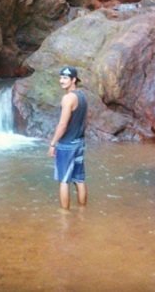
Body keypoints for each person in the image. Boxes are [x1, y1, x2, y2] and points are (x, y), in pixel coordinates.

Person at [48, 66, 88, 210]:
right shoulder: (82, 96)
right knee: (79, 179)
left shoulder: (68, 98)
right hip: (79, 142)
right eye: (61, 77)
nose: (61, 81)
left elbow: (63, 124)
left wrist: (53, 143)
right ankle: (82, 211)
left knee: (64, 181)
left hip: (67, 144)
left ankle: (64, 215)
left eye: (65, 78)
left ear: (74, 80)